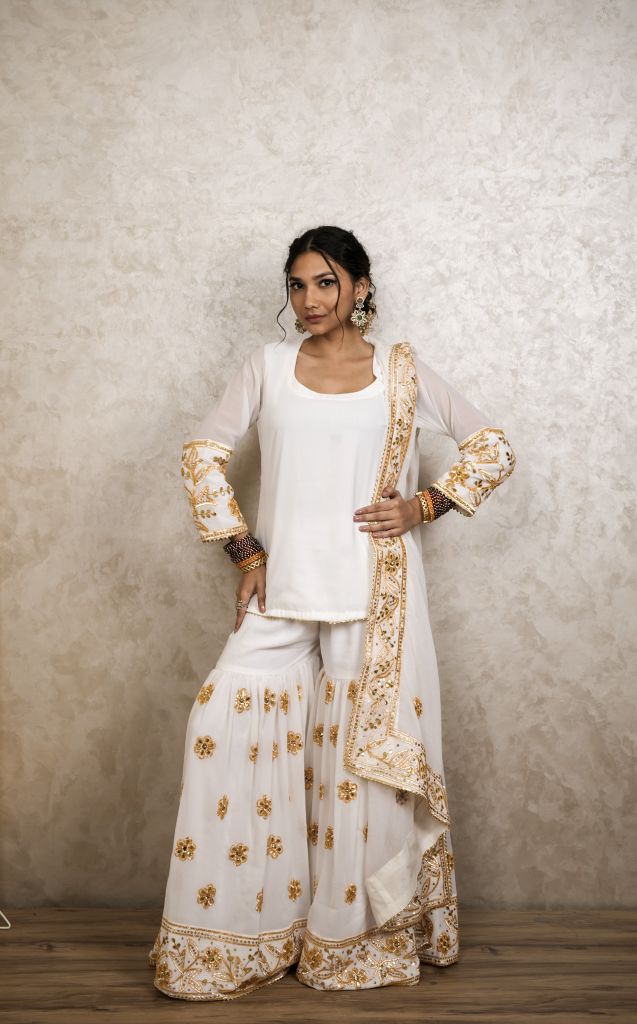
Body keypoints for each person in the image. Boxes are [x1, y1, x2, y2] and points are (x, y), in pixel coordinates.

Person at [148, 225, 516, 999]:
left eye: (324, 282)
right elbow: (201, 454)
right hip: (282, 591)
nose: (309, 300)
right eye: (296, 285)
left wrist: (422, 505)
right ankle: (240, 939)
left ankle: (351, 943)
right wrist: (245, 552)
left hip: (374, 596)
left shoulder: (399, 372)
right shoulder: (268, 366)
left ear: (359, 286)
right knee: (221, 725)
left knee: (358, 772)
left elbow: (490, 448)